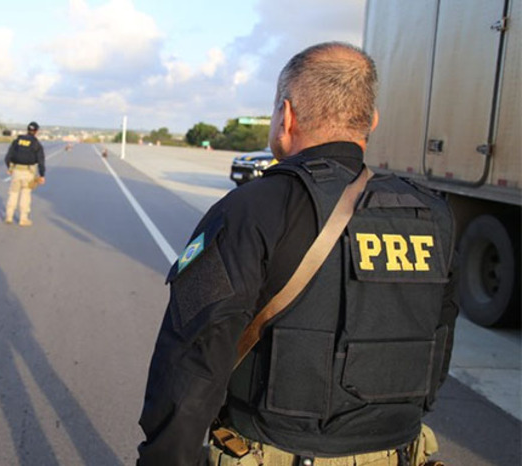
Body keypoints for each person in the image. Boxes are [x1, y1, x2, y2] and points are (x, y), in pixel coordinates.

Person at [137, 42, 457, 466]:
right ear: (371, 122)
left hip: (272, 452)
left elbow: (196, 355)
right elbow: (437, 345)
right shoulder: (431, 213)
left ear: (285, 116)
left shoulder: (252, 208)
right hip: (398, 453)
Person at [4, 121, 46, 226]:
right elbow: (41, 161)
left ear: (27, 129)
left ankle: (9, 216)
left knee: (13, 193)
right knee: (25, 194)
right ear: (36, 131)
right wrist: (42, 175)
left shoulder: (17, 141)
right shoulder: (36, 144)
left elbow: (8, 156)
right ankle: (23, 219)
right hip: (29, 172)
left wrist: (9, 167)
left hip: (16, 172)